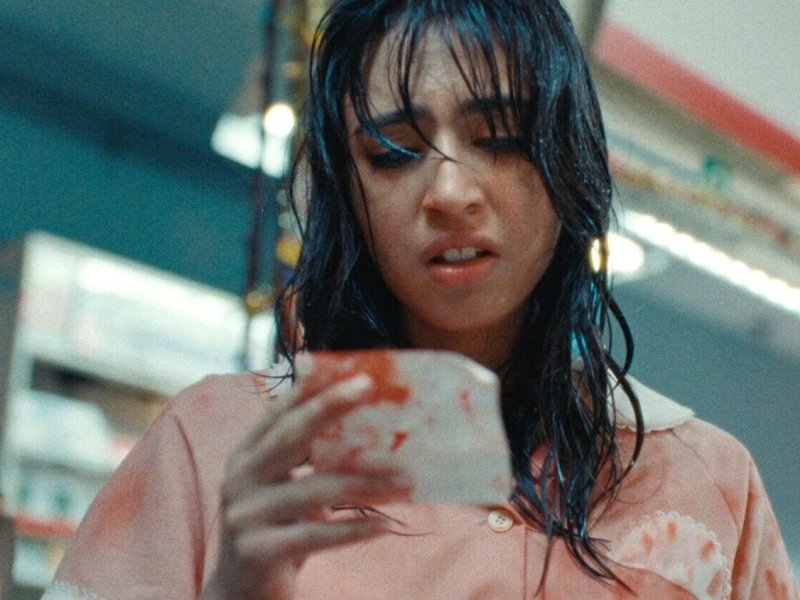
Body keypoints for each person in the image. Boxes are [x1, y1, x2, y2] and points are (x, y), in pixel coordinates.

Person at [44, 1, 799, 599]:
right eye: (393, 152)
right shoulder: (213, 449)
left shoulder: (708, 485)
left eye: (501, 137)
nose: (449, 191)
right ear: (349, 193)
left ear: (569, 160)